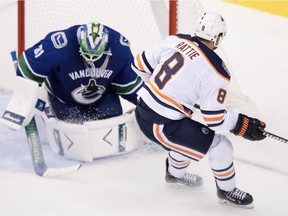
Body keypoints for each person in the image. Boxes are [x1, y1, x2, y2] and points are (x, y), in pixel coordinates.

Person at [132, 11, 266, 208]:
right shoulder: (216, 71)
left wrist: (159, 92)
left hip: (142, 110)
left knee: (187, 136)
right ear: (218, 37)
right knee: (221, 146)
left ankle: (174, 175)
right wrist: (242, 124)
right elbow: (214, 120)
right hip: (162, 125)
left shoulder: (174, 40)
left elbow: (138, 65)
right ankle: (226, 190)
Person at [16, 22, 143, 123]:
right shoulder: (60, 45)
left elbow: (129, 85)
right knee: (72, 127)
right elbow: (27, 67)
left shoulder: (119, 49)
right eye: (87, 54)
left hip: (103, 98)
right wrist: (24, 98)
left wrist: (148, 106)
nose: (91, 59)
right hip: (63, 99)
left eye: (95, 56)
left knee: (111, 124)